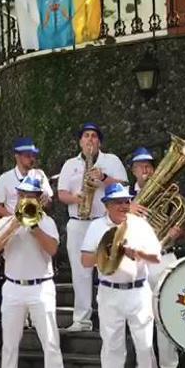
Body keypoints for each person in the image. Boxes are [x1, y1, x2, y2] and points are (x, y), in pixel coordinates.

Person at [0, 177, 67, 368]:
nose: (25, 199)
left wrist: (33, 227)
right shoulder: (6, 222)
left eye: (30, 195)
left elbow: (52, 249)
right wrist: (14, 225)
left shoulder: (47, 222)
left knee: (50, 343)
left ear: (39, 198)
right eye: (21, 195)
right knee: (9, 343)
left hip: (41, 287)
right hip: (13, 287)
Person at [81, 183, 163, 368]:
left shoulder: (140, 224)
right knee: (111, 348)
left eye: (127, 201)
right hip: (109, 293)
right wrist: (106, 249)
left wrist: (135, 252)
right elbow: (85, 262)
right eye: (118, 202)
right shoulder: (97, 226)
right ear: (106, 205)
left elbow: (156, 257)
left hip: (138, 292)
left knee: (146, 348)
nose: (124, 206)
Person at [56, 123, 127, 332]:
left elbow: (124, 186)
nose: (90, 140)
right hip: (78, 222)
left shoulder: (111, 161)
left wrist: (103, 179)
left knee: (110, 269)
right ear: (80, 141)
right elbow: (61, 194)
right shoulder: (70, 164)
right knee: (80, 272)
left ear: (99, 142)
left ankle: (112, 319)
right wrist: (77, 198)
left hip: (104, 221)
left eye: (94, 136)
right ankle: (82, 320)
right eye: (86, 136)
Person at [125, 147, 181, 368]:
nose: (146, 170)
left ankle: (170, 367)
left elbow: (180, 220)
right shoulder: (125, 196)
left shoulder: (168, 193)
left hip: (164, 256)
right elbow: (112, 222)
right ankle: (143, 366)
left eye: (149, 165)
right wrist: (129, 208)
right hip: (138, 262)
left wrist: (176, 231)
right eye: (141, 166)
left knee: (165, 314)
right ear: (133, 171)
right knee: (140, 317)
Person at [0, 137, 53, 218]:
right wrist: (15, 219)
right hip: (14, 224)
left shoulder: (40, 175)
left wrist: (47, 200)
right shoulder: (4, 179)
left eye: (33, 155)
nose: (32, 159)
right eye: (27, 156)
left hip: (37, 222)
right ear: (17, 156)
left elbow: (49, 204)